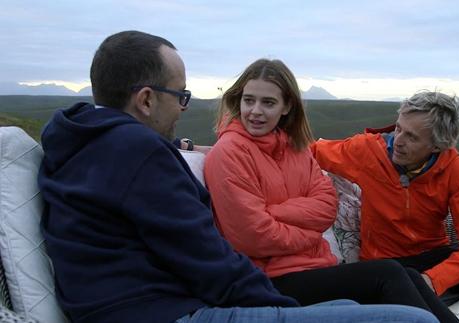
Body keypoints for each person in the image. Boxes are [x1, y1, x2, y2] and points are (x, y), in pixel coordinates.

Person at [37, 31, 438, 323]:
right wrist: (283, 309)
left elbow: (322, 207)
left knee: (351, 307)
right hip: (165, 311)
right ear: (145, 99)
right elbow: (212, 258)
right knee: (410, 319)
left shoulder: (75, 141)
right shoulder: (135, 151)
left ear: (286, 109)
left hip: (151, 303)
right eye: (180, 96)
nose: (181, 109)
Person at [203, 59, 459, 323]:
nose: (255, 111)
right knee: (388, 274)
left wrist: (273, 213)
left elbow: (327, 206)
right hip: (266, 280)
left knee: (407, 274)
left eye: (268, 103)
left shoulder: (296, 149)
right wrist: (309, 234)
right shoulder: (229, 153)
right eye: (249, 100)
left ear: (287, 106)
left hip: (313, 268)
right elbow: (250, 237)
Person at [311, 90, 459, 323]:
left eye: (412, 137)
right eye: (398, 128)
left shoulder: (456, 171)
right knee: (409, 303)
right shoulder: (366, 151)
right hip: (386, 266)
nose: (398, 141)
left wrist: (435, 278)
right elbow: (309, 151)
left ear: (437, 146)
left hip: (435, 257)